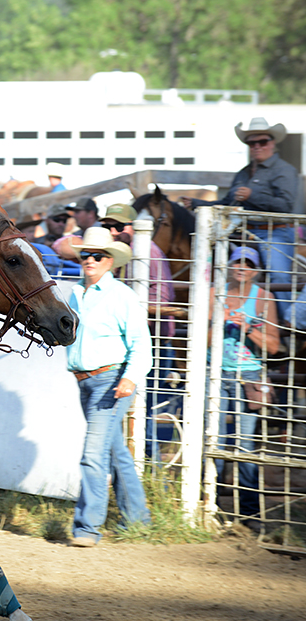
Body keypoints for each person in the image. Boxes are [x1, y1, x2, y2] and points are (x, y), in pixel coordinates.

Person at [64, 226, 153, 547]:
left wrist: (130, 378)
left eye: (97, 255)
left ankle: (87, 528)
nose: (90, 259)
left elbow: (142, 344)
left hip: (111, 381)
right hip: (86, 382)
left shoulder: (122, 296)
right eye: (86, 254)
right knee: (114, 453)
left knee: (92, 455)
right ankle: (138, 519)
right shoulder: (74, 292)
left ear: (111, 261)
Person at [182, 117, 297, 319]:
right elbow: (228, 202)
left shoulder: (285, 171)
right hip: (245, 232)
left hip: (276, 232)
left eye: (262, 142)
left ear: (272, 143)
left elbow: (285, 205)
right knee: (215, 264)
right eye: (252, 143)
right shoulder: (243, 173)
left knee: (279, 277)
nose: (257, 147)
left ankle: (286, 327)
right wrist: (197, 204)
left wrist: (252, 195)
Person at [208, 246, 280, 527]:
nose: (241, 266)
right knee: (210, 438)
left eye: (248, 262)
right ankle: (207, 505)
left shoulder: (264, 298)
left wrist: (248, 328)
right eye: (236, 261)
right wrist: (220, 322)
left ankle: (250, 513)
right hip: (213, 373)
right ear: (228, 266)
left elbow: (273, 346)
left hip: (249, 376)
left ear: (257, 270)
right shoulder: (216, 294)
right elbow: (201, 339)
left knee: (244, 444)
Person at [100, 203, 179, 459]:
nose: (112, 231)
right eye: (107, 226)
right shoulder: (120, 253)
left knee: (144, 411)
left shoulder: (149, 253)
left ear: (132, 227)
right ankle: (140, 468)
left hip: (153, 341)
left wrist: (125, 308)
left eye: (118, 226)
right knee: (134, 411)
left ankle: (150, 468)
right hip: (133, 341)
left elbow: (164, 301)